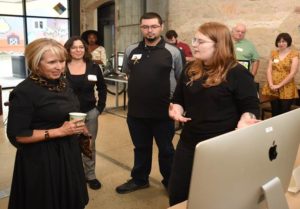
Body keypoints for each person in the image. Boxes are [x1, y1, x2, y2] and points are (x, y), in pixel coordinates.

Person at [168, 22, 260, 206]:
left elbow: (250, 107)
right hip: (189, 141)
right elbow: (178, 99)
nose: (194, 45)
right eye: (194, 39)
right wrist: (176, 109)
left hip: (221, 145)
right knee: (178, 192)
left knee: (214, 196)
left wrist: (245, 120)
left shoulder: (237, 73)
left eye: (200, 41)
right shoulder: (190, 69)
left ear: (219, 45)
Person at [6, 38, 89, 209]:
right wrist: (58, 132)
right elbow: (18, 135)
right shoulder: (24, 92)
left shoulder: (63, 83)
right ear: (36, 64)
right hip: (42, 159)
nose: (59, 67)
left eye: (62, 61)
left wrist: (79, 127)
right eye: (52, 62)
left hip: (67, 152)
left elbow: (67, 111)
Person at [115, 12, 184, 194]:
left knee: (167, 150)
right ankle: (139, 179)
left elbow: (180, 79)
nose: (149, 30)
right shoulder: (131, 50)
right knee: (141, 148)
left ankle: (171, 181)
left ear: (161, 27)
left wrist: (176, 106)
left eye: (153, 26)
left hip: (163, 112)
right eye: (145, 27)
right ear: (141, 28)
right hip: (136, 112)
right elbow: (129, 73)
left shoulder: (173, 52)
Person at [64, 36, 107, 190]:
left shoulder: (94, 67)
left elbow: (102, 87)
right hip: (66, 115)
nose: (78, 50)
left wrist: (99, 108)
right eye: (74, 47)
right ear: (68, 49)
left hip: (89, 112)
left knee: (88, 144)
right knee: (68, 145)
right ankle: (72, 175)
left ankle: (90, 175)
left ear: (85, 49)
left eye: (81, 47)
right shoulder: (62, 66)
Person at [261, 33, 299, 116]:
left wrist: (279, 85)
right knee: (275, 112)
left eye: (283, 41)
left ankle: (283, 129)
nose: (281, 43)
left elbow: (293, 73)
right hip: (273, 87)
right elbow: (269, 69)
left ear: (288, 42)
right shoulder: (274, 53)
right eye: (279, 41)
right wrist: (271, 84)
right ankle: (275, 129)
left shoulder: (294, 54)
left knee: (284, 113)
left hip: (286, 87)